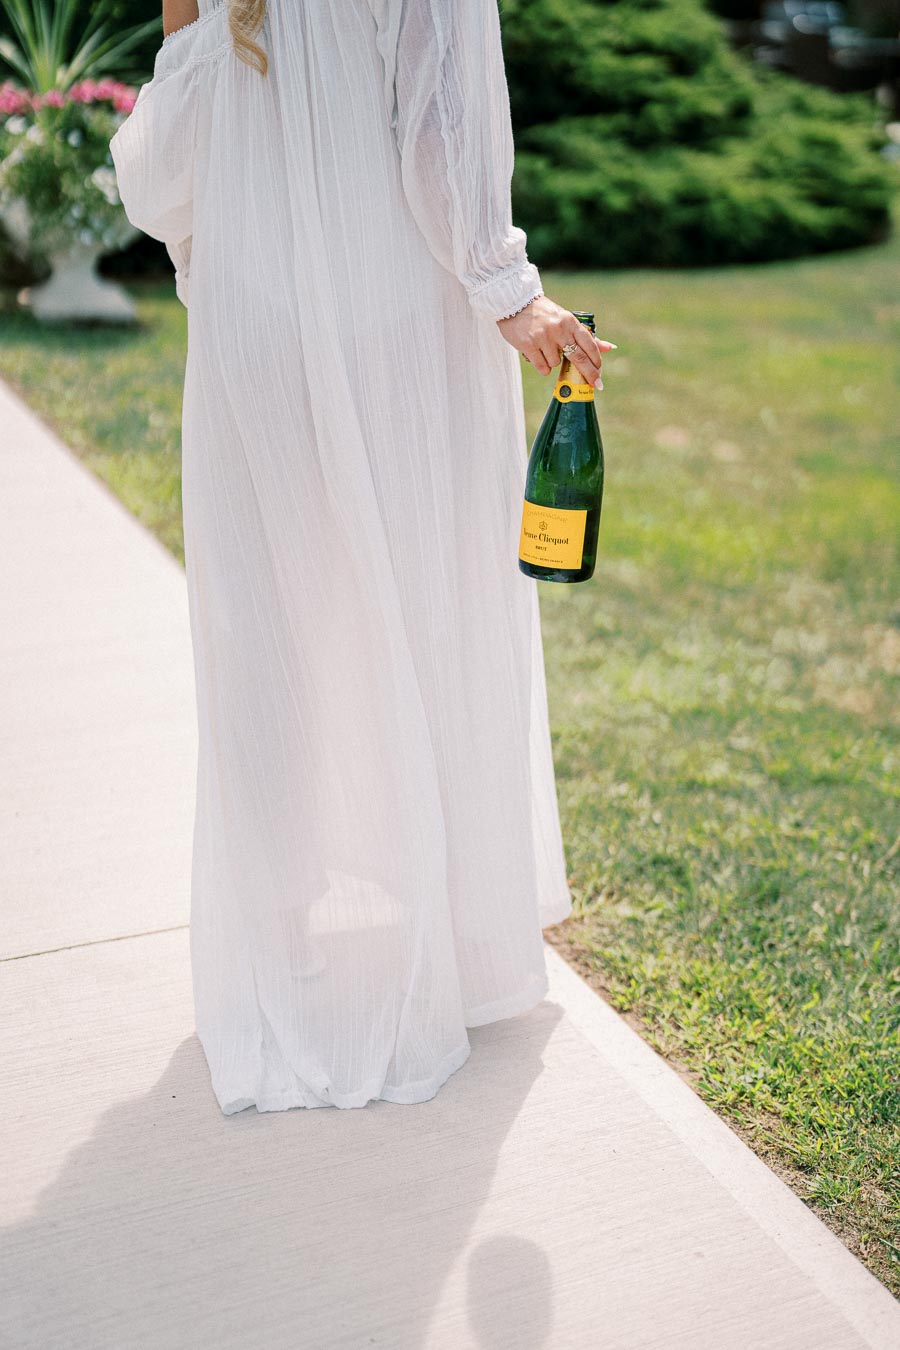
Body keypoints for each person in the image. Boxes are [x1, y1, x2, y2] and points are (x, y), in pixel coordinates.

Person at [109, 0, 615, 1115]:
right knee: (424, 609)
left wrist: (220, 254)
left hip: (254, 322)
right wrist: (507, 288)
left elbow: (164, 178)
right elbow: (439, 130)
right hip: (394, 325)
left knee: (269, 631)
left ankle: (278, 946)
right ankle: (449, 937)